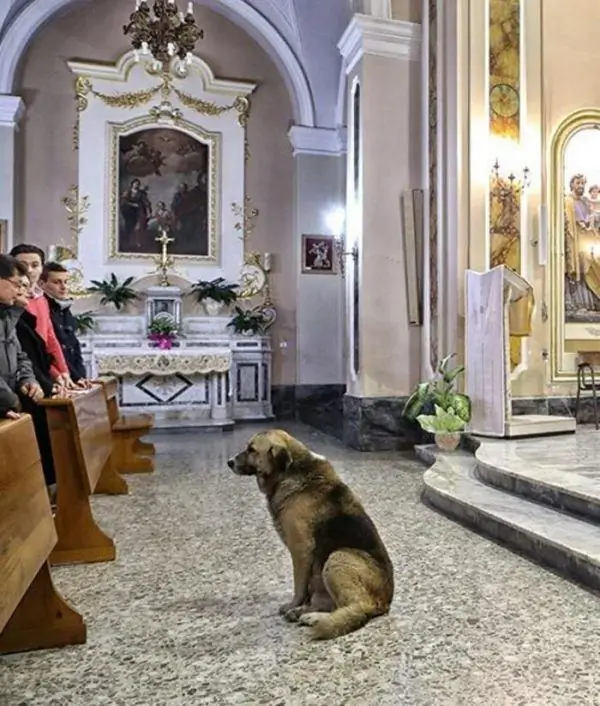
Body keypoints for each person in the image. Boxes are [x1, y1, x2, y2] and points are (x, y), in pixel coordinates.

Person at [0, 254, 55, 488]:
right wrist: (11, 401)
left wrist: (28, 380)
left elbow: (21, 356)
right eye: (16, 284)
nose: (21, 290)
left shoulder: (8, 317)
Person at [9, 244, 76, 388]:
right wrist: (54, 374)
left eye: (35, 265)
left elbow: (50, 338)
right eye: (23, 265)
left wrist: (63, 371)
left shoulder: (41, 299)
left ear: (42, 268)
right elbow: (26, 348)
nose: (29, 270)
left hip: (45, 369)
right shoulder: (13, 301)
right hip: (23, 374)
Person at [40, 262, 88, 382]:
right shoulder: (43, 309)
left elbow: (74, 345)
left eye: (65, 282)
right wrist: (75, 377)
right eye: (57, 282)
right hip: (56, 377)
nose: (63, 287)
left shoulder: (64, 308)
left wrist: (81, 376)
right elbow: (51, 349)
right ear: (42, 284)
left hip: (71, 376)